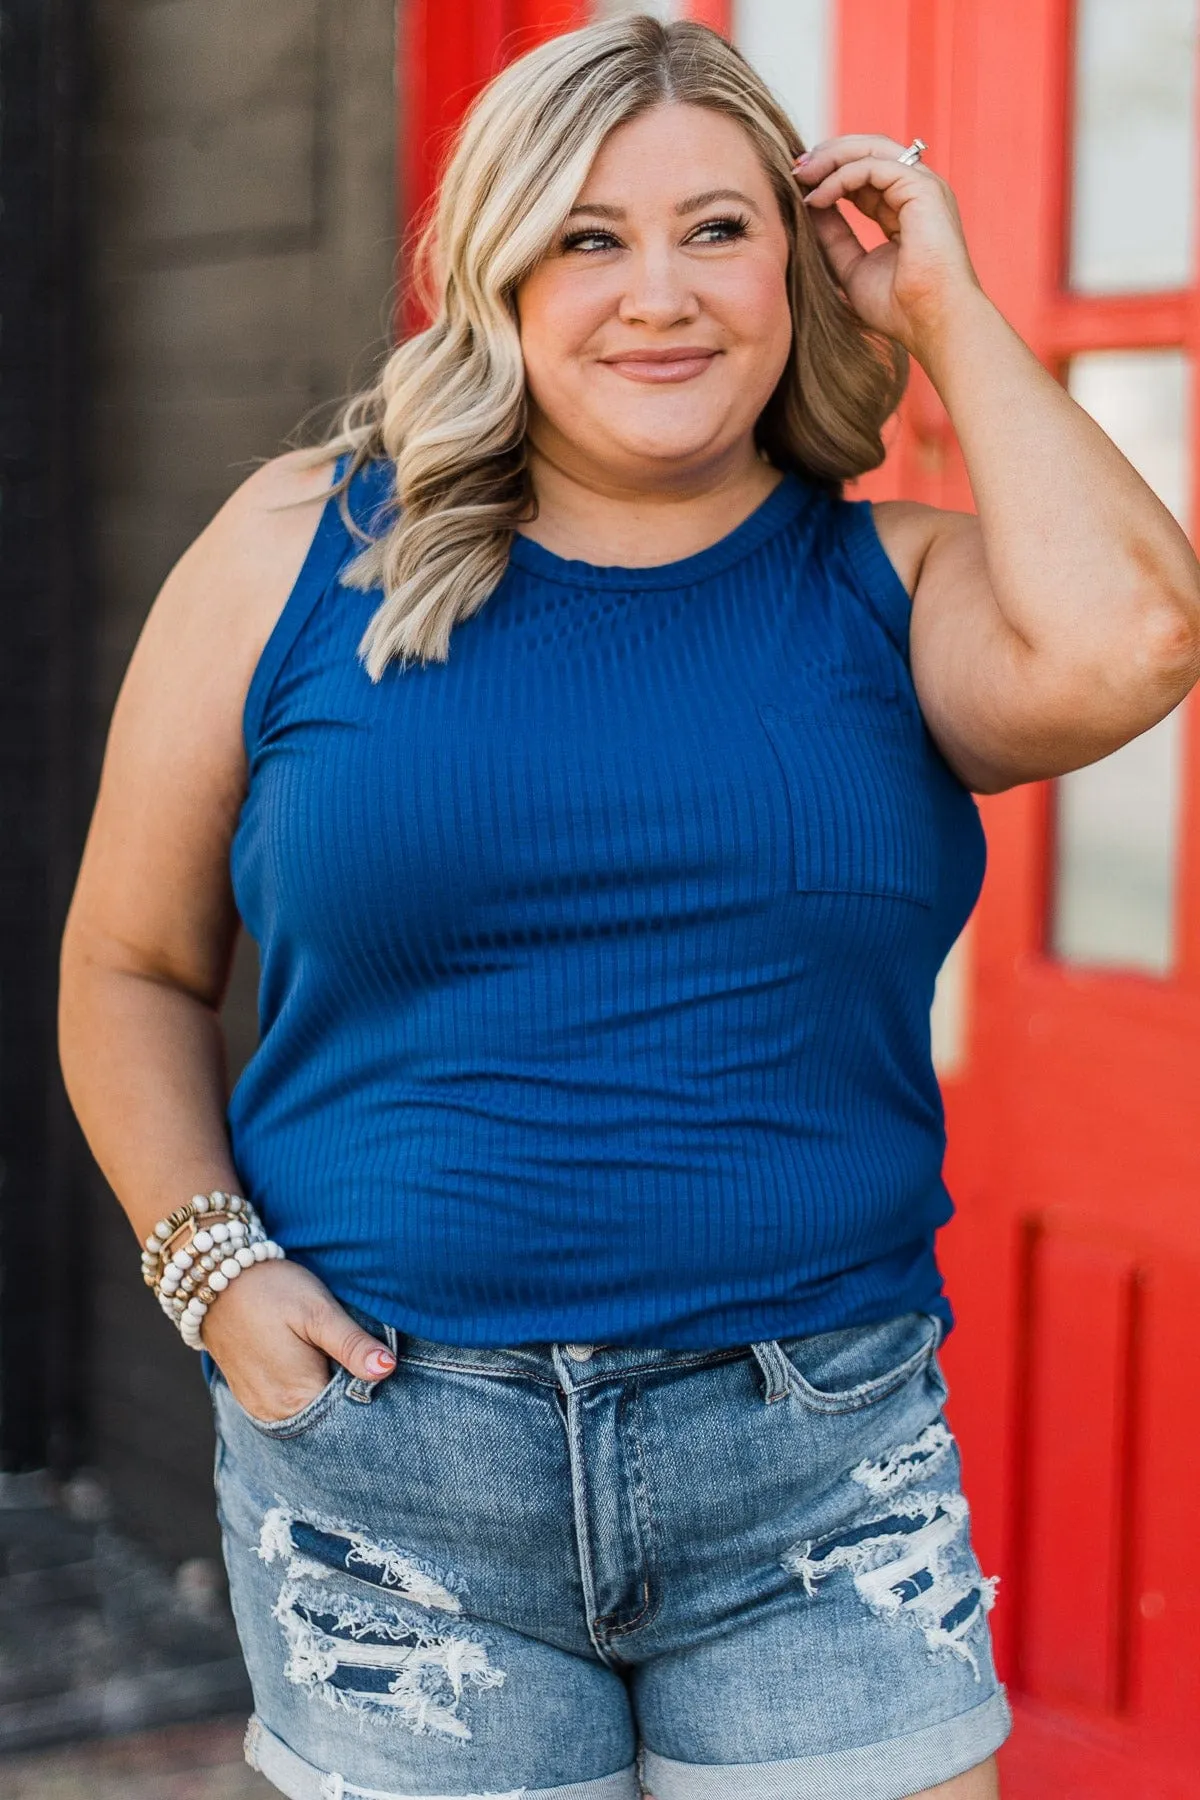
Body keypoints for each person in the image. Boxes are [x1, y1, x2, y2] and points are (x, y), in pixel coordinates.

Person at [58, 14, 1200, 1800]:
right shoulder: (299, 548)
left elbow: (1135, 639)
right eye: (589, 236)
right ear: (497, 276)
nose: (658, 292)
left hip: (811, 1471)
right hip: (387, 1460)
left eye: (718, 228)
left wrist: (949, 313)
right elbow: (127, 963)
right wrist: (210, 1271)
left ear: (802, 262)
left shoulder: (887, 588)